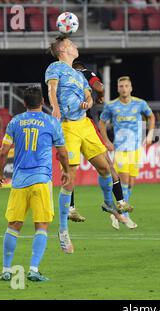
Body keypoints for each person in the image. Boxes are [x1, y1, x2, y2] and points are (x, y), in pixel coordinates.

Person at [45, 35, 131, 251]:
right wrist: (54, 107)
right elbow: (51, 89)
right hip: (67, 126)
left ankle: (110, 202)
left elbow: (89, 94)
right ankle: (63, 231)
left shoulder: (78, 74)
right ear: (64, 49)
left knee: (105, 168)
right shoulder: (55, 67)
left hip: (84, 124)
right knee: (69, 176)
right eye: (72, 44)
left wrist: (89, 101)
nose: (76, 46)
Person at [0, 85, 71, 282]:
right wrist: (67, 171)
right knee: (41, 225)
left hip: (19, 181)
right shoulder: (51, 122)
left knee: (13, 225)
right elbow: (62, 153)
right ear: (43, 102)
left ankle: (5, 269)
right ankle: (33, 270)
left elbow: (3, 152)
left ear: (24, 103)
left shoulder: (15, 122)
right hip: (41, 180)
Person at [68, 61, 127, 223]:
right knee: (106, 165)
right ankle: (118, 201)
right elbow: (100, 87)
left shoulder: (62, 77)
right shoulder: (85, 74)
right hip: (84, 124)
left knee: (69, 169)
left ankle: (71, 208)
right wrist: (100, 96)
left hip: (66, 126)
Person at [99, 76, 155, 229]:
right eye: (121, 86)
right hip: (121, 150)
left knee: (130, 183)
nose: (124, 88)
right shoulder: (112, 106)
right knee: (123, 181)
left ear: (131, 88)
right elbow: (102, 122)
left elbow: (151, 116)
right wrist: (106, 141)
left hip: (136, 149)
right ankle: (124, 216)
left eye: (126, 86)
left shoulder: (139, 103)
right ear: (118, 89)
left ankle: (114, 212)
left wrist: (150, 134)